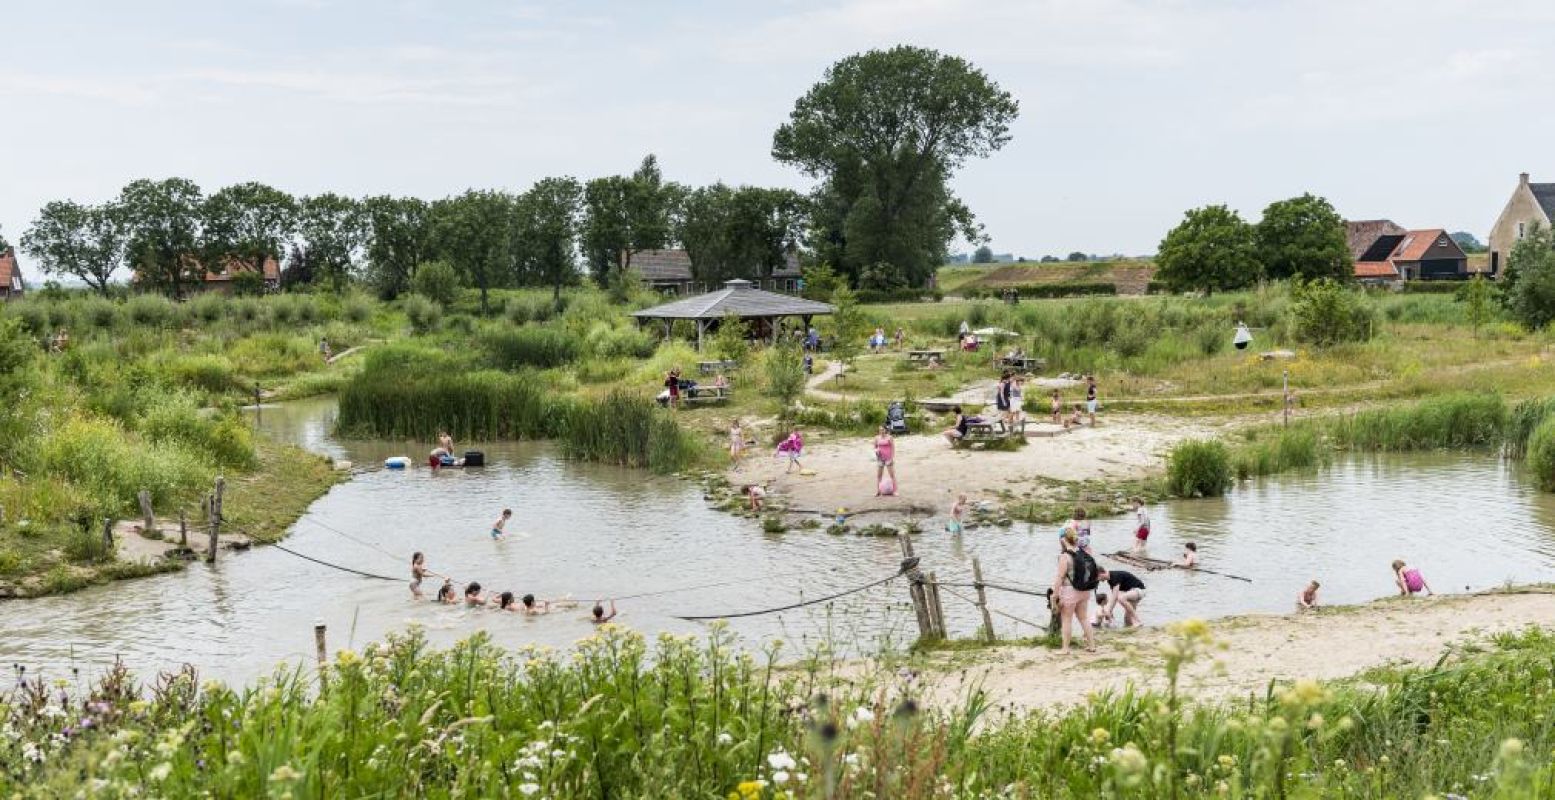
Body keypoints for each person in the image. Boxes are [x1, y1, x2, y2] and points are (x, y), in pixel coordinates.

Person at [1052, 529, 1097, 654]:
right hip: (1084, 590)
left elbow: (1060, 577)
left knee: (1066, 619)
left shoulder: (1064, 556)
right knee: (1083, 618)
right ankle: (1092, 645)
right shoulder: (1083, 552)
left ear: (1063, 539)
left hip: (1069, 591)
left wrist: (1055, 594)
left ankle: (1065, 648)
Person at [874, 425, 897, 495]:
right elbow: (875, 447)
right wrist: (876, 451)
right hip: (880, 458)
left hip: (888, 458)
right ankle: (878, 491)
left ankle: (894, 491)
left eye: (882, 430)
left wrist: (892, 458)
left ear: (885, 430)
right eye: (880, 430)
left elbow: (893, 448)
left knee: (892, 475)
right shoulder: (876, 438)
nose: (881, 431)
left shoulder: (890, 437)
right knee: (879, 476)